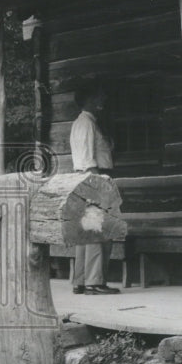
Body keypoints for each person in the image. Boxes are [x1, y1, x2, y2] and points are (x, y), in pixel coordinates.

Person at [69, 81, 119, 295]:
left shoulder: (86, 123)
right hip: (93, 177)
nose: (103, 100)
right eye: (98, 96)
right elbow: (88, 159)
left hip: (87, 178)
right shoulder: (86, 124)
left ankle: (81, 280)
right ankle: (94, 282)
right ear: (89, 99)